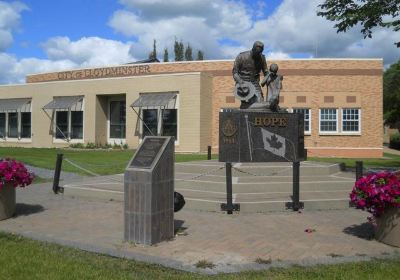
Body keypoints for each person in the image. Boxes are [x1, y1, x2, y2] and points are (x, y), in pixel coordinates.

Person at [232, 41, 268, 109]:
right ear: (253, 49)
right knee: (247, 105)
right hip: (243, 83)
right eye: (257, 53)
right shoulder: (241, 56)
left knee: (261, 104)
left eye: (260, 53)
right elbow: (235, 73)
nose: (258, 54)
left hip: (255, 83)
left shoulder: (262, 58)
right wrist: (240, 82)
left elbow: (265, 71)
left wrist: (269, 76)